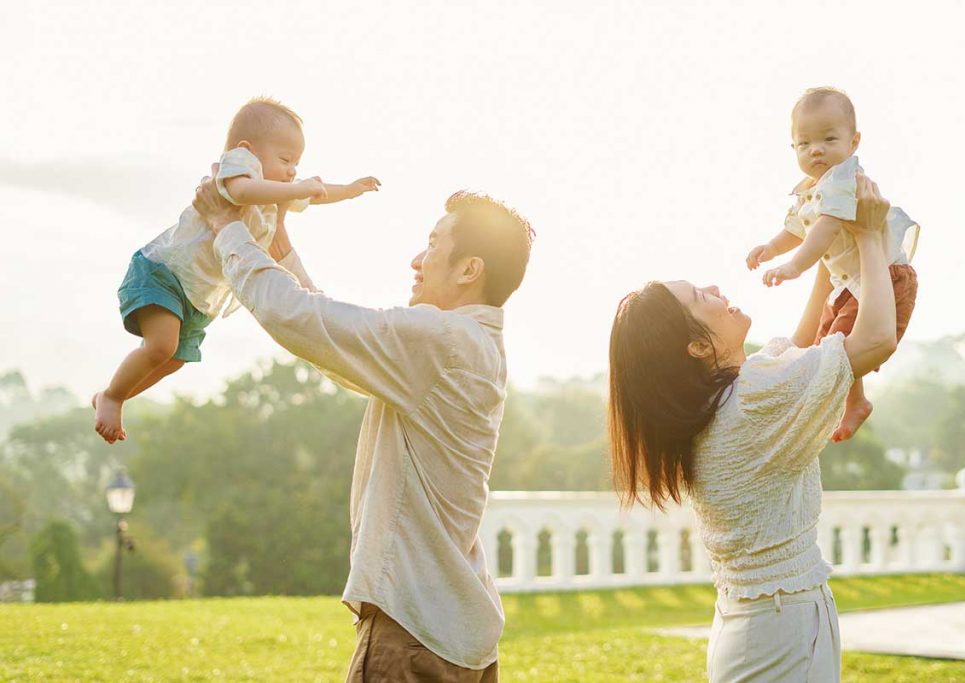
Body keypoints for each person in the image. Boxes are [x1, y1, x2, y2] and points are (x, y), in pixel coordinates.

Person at [192, 177, 534, 681]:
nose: (417, 260)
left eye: (434, 244)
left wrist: (227, 230)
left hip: (412, 635)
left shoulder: (442, 339)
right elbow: (338, 349)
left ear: (469, 269)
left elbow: (301, 319)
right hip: (457, 637)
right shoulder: (472, 344)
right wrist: (282, 252)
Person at [608, 174, 896, 682]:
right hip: (780, 628)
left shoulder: (726, 402)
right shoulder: (751, 401)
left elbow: (803, 352)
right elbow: (875, 340)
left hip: (759, 623)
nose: (718, 289)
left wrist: (827, 243)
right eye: (702, 297)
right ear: (697, 348)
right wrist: (871, 237)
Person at [93, 96, 379, 443]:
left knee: (173, 359)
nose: (292, 171)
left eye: (296, 164)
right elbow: (242, 192)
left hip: (199, 298)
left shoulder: (276, 193)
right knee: (161, 346)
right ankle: (112, 396)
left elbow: (315, 193)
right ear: (248, 149)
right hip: (166, 273)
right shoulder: (239, 167)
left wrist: (348, 191)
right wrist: (296, 187)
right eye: (286, 159)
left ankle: (115, 395)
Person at [745, 86, 919, 442]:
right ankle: (856, 401)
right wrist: (771, 248)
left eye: (828, 138)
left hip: (882, 278)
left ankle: (854, 403)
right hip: (848, 284)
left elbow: (823, 230)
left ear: (853, 142)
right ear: (793, 148)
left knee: (838, 345)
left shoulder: (843, 181)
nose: (816, 149)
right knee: (828, 347)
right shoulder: (811, 188)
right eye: (804, 143)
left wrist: (793, 267)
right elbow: (797, 228)